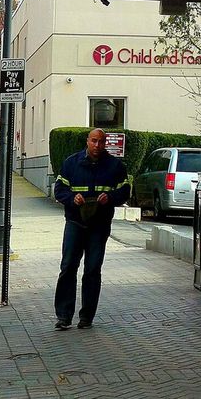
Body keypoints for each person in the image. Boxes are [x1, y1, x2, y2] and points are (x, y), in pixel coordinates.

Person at [53, 128, 129, 330]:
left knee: (92, 269)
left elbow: (125, 191)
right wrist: (72, 198)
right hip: (75, 223)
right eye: (94, 141)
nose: (97, 145)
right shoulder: (71, 163)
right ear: (87, 141)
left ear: (106, 143)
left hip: (99, 225)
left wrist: (110, 198)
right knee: (68, 266)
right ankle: (63, 316)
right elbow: (59, 190)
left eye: (101, 142)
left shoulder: (114, 166)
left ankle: (86, 317)